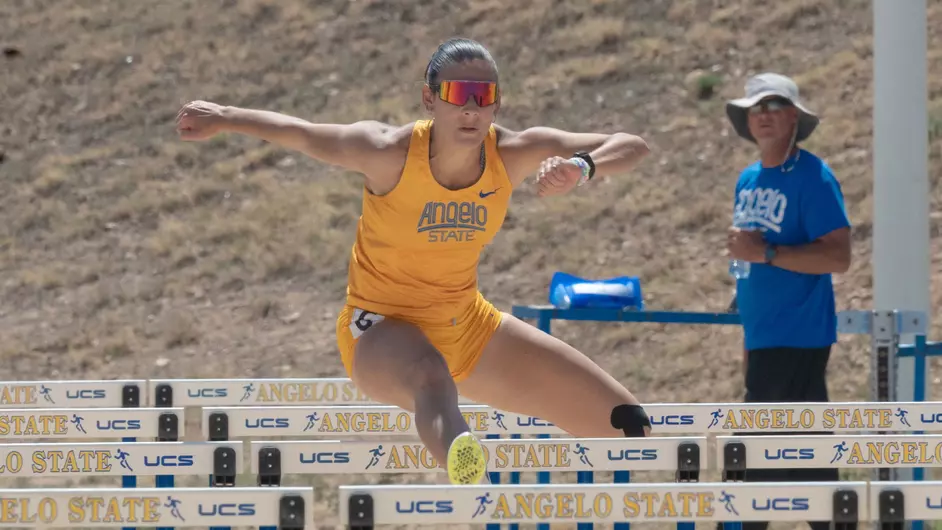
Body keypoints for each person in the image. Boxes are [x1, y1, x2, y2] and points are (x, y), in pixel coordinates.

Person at [175, 37, 652, 485]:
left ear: (497, 104)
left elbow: (632, 144)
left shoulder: (513, 153)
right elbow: (302, 133)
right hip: (380, 330)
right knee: (429, 374)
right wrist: (226, 116)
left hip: (466, 326)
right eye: (458, 94)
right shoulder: (388, 152)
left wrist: (582, 168)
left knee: (628, 426)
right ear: (430, 99)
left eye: (484, 96)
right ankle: (468, 469)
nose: (471, 108)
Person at [723, 73, 851, 530]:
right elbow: (750, 261)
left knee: (756, 466)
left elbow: (838, 256)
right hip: (763, 336)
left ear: (794, 115)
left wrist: (768, 253)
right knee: (801, 461)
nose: (763, 115)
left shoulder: (813, 176)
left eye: (773, 105)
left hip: (798, 334)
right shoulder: (747, 178)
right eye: (754, 108)